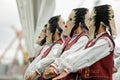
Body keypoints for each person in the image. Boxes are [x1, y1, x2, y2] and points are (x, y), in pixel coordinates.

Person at [51, 4, 117, 80]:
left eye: (91, 20)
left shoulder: (105, 41)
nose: (89, 23)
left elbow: (86, 56)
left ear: (101, 22)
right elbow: (81, 55)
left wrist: (65, 68)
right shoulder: (93, 42)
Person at [43, 8, 89, 80]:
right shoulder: (69, 39)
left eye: (70, 20)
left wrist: (55, 67)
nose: (67, 22)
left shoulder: (83, 39)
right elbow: (57, 56)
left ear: (79, 23)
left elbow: (69, 55)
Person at [24, 15, 65, 80]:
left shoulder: (58, 45)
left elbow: (50, 58)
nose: (46, 32)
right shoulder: (53, 46)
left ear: (56, 29)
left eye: (48, 29)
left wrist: (35, 72)